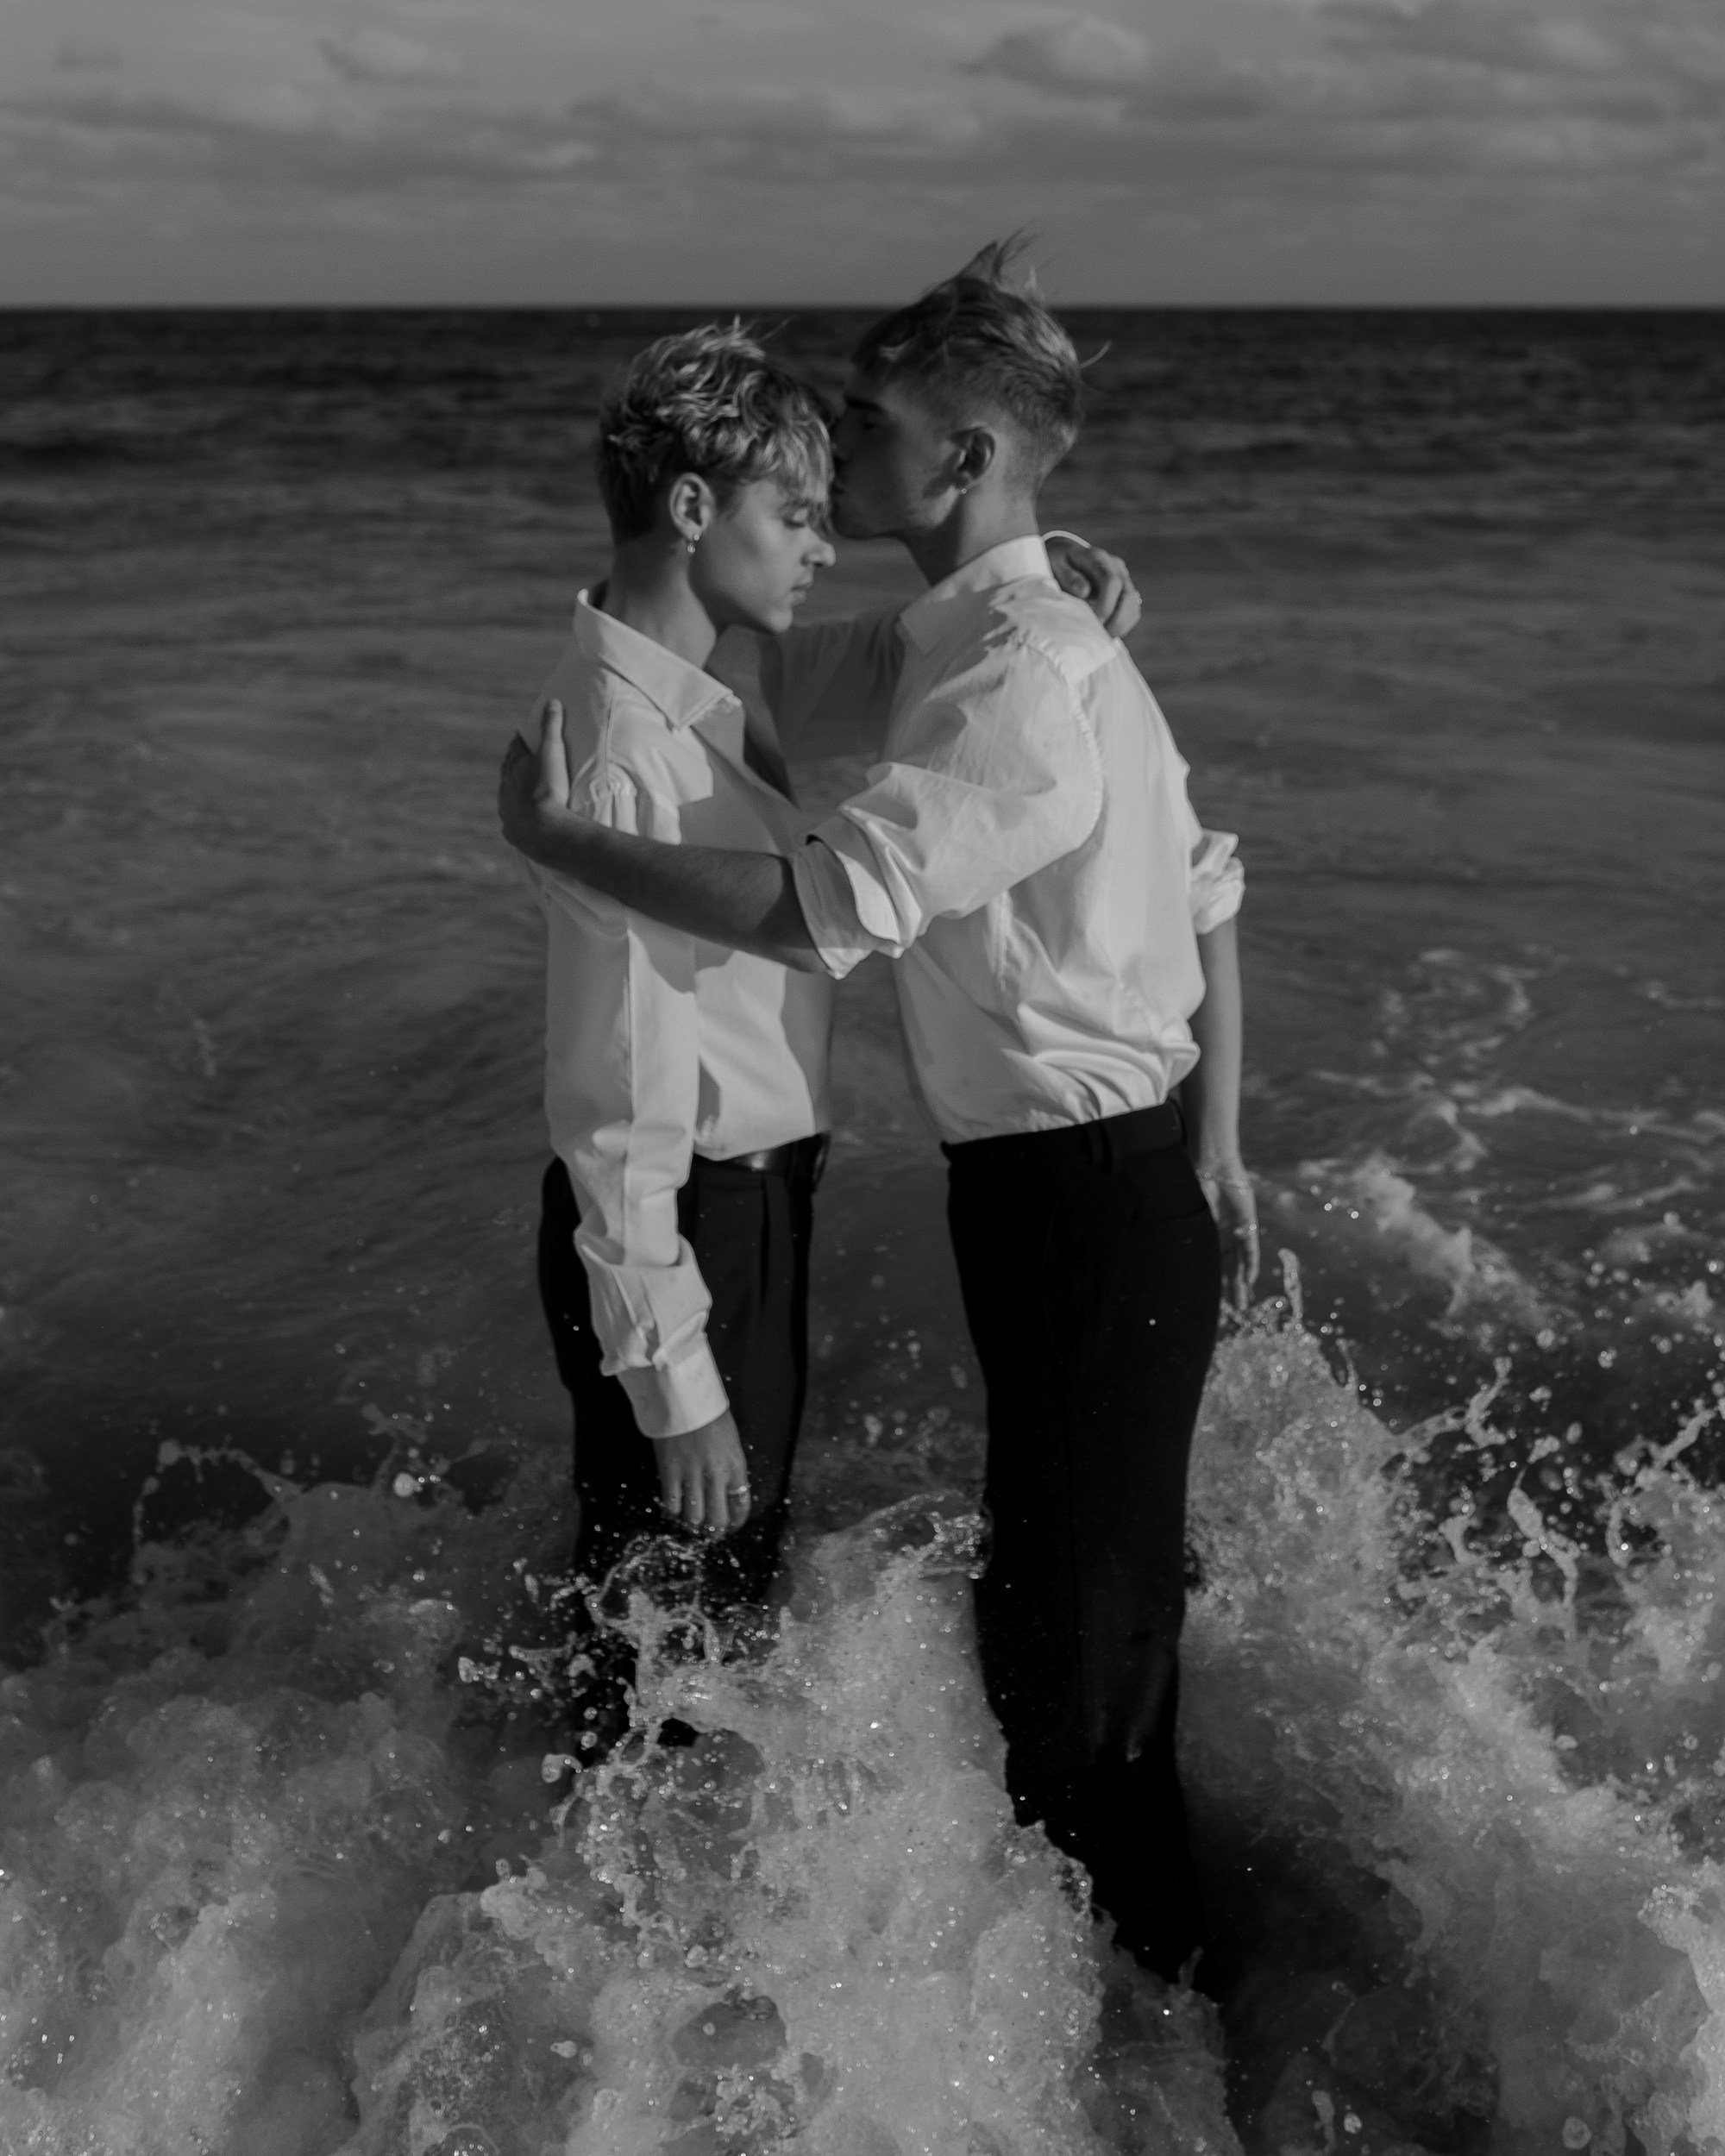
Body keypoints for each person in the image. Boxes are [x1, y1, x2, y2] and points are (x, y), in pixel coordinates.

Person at [500, 245, 1257, 1977]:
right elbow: (736, 676)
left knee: (1081, 1669)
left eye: (863, 425)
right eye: (815, 450)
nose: (837, 465)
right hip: (1040, 1197)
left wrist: (563, 844)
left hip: (1084, 1201)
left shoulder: (1016, 673)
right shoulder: (949, 645)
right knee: (1022, 1636)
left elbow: (823, 906)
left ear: (963, 457)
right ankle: (650, 1981)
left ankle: (1166, 2028)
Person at [520, 319, 1138, 1651]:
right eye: (795, 518)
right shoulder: (624, 757)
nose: (821, 547)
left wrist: (1043, 575)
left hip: (734, 1215)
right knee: (676, 1643)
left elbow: (928, 657)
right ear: (694, 510)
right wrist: (674, 1378)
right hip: (690, 1223)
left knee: (683, 1624)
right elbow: (612, 1096)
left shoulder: (696, 700)